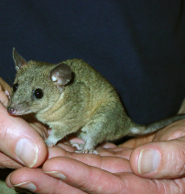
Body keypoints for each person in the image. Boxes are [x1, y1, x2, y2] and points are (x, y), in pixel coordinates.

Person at [0, 1, 185, 193]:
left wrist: (52, 139)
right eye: (16, 87)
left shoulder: (65, 101)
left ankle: (89, 143)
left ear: (59, 82)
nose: (14, 106)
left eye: (37, 94)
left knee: (100, 114)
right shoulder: (41, 83)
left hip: (110, 113)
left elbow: (71, 122)